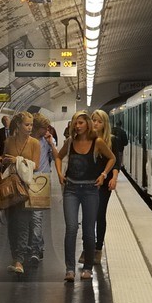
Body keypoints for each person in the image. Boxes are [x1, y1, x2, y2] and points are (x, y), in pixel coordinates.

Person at [55, 111, 114, 282]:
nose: (77, 126)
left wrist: (104, 174)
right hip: (71, 189)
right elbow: (59, 157)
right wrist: (59, 173)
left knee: (89, 231)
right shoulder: (70, 142)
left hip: (90, 190)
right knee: (71, 228)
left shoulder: (98, 142)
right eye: (75, 123)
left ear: (87, 124)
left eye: (80, 122)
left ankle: (88, 267)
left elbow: (112, 158)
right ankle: (70, 269)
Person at [0, 113, 41, 274]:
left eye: (31, 125)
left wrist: (16, 160)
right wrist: (2, 165)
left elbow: (36, 166)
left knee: (23, 223)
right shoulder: (8, 142)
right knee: (11, 224)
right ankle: (14, 255)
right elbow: (3, 161)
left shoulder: (35, 143)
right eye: (27, 125)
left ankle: (19, 259)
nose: (30, 128)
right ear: (18, 126)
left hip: (26, 188)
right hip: (10, 187)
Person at [91, 110, 127, 251]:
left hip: (105, 182)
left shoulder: (112, 140)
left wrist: (114, 177)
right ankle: (88, 243)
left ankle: (99, 246)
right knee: (89, 214)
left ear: (105, 124)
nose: (96, 123)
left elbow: (116, 161)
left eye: (100, 121)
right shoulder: (87, 139)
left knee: (100, 213)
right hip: (89, 182)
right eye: (94, 120)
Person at [30, 114, 56, 264]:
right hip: (28, 179)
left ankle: (35, 248)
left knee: (37, 216)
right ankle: (38, 245)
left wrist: (51, 143)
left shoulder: (47, 141)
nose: (47, 130)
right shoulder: (27, 140)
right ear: (36, 128)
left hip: (42, 180)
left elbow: (57, 157)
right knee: (29, 217)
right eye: (44, 128)